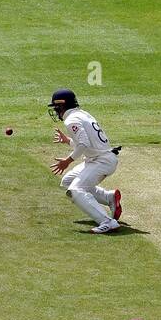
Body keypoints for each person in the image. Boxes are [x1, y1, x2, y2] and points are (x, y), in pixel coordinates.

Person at [47, 89, 120, 233]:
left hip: (102, 161)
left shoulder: (71, 120)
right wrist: (68, 141)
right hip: (98, 158)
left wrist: (67, 161)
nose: (56, 111)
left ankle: (107, 222)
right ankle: (109, 197)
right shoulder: (82, 114)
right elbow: (89, 142)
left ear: (62, 106)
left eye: (56, 108)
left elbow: (84, 144)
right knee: (67, 181)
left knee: (76, 189)